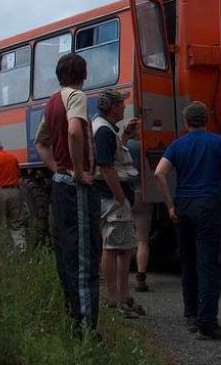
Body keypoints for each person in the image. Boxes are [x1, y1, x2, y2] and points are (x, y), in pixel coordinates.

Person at [154, 101, 221, 340]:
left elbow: (159, 173)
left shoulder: (176, 145)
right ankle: (207, 322)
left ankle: (190, 315)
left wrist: (170, 206)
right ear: (206, 120)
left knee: (188, 262)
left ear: (187, 122)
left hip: (183, 207)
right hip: (208, 206)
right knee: (209, 265)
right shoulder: (219, 143)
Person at [34, 53, 101, 335]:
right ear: (83, 75)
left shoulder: (51, 102)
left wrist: (57, 169)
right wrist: (75, 171)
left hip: (61, 186)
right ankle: (86, 332)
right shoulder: (76, 96)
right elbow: (75, 132)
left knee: (67, 256)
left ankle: (73, 321)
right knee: (85, 258)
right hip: (76, 189)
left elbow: (41, 143)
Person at [91, 89, 144, 318]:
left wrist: (127, 135)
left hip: (110, 197)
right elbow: (106, 166)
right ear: (112, 107)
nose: (124, 107)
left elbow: (113, 156)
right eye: (121, 103)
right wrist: (120, 197)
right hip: (112, 198)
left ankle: (123, 295)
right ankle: (115, 299)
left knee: (123, 247)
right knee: (113, 248)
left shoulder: (105, 128)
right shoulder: (103, 130)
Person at [0, 138, 26, 252]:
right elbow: (18, 175)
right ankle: (21, 252)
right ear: (1, 147)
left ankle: (5, 256)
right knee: (16, 224)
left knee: (0, 225)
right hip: (15, 192)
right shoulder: (13, 158)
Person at [128, 138, 153, 293]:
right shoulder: (142, 146)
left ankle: (119, 277)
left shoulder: (122, 145)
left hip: (124, 194)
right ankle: (141, 278)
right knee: (142, 239)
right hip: (142, 194)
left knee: (123, 239)